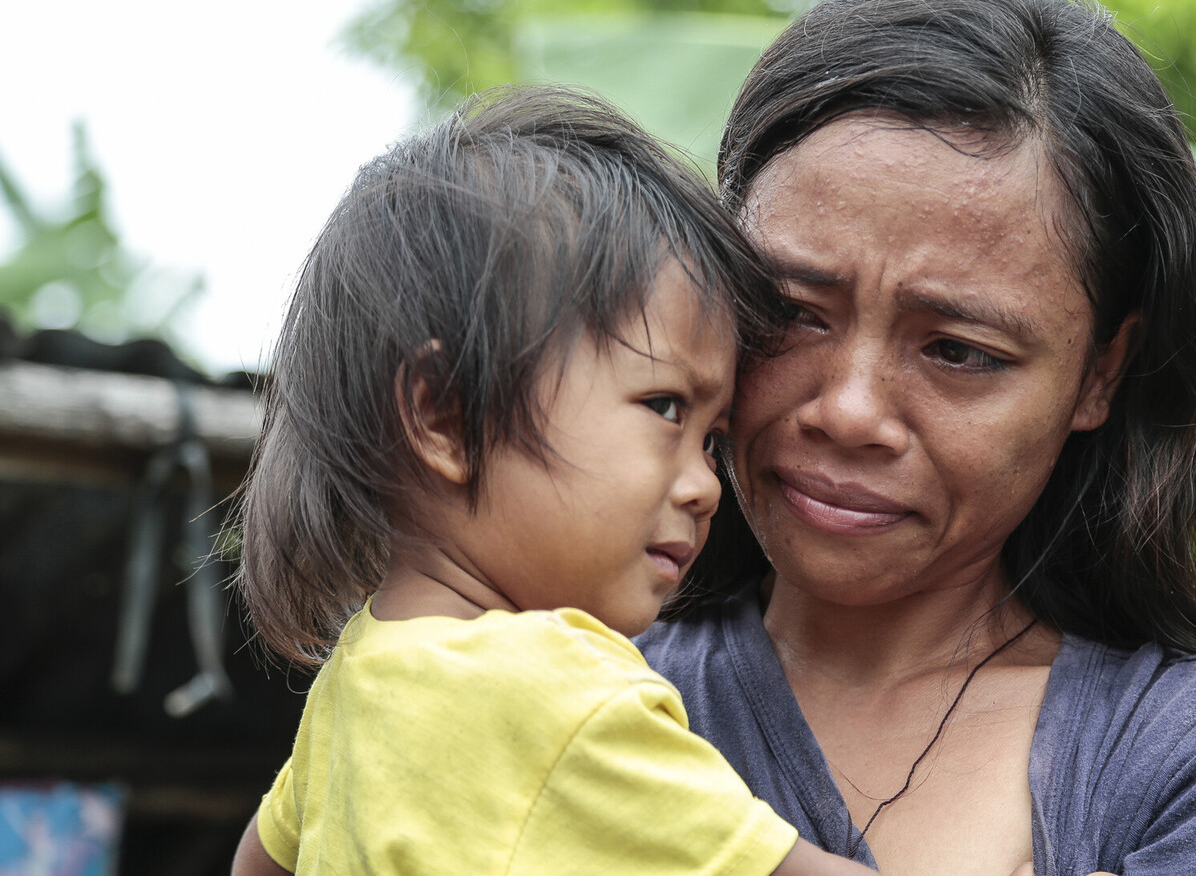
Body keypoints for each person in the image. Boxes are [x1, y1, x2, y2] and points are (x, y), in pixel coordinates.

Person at [636, 0, 1196, 875]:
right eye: (790, 310)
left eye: (959, 351)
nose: (850, 410)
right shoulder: (558, 696)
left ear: (1102, 373)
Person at [228, 85, 880, 875]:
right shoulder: (557, 688)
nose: (706, 486)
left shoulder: (360, 676)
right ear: (444, 417)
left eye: (713, 439)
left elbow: (256, 863)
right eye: (665, 405)